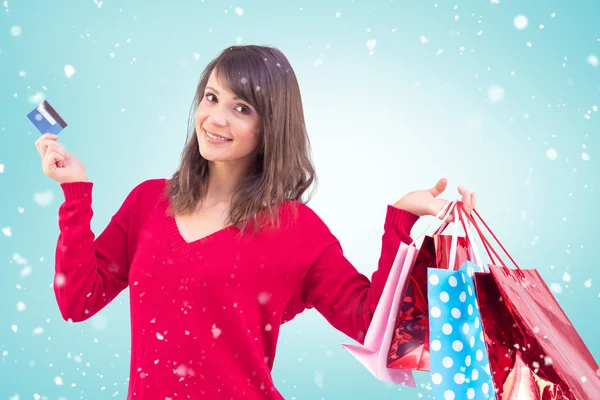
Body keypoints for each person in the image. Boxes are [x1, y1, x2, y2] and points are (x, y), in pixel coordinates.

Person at [35, 45, 476, 400]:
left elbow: (374, 326)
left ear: (270, 126)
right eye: (211, 98)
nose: (216, 118)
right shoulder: (149, 201)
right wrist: (75, 193)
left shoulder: (297, 230)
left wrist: (400, 219)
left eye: (241, 107)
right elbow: (78, 301)